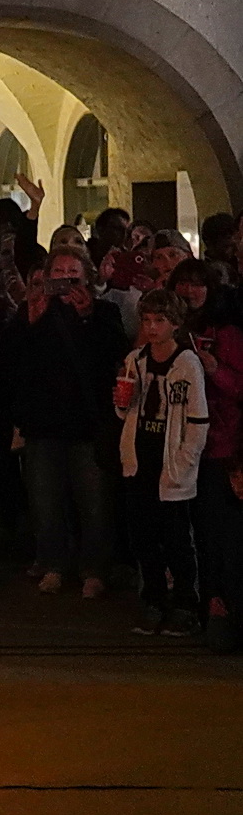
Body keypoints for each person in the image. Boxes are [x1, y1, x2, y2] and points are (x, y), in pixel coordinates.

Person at [3, 247, 128, 598]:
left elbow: (114, 353)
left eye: (72, 272)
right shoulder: (34, 313)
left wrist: (87, 316)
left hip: (87, 424)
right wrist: (29, 319)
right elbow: (9, 359)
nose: (65, 279)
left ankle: (95, 570)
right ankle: (54, 564)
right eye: (57, 272)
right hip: (43, 424)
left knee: (94, 502)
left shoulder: (105, 311)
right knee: (46, 502)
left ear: (86, 276)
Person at [115, 289, 207, 637]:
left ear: (175, 324)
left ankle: (185, 603)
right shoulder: (135, 360)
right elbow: (125, 410)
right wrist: (123, 403)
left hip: (170, 464)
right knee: (144, 537)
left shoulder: (186, 363)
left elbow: (197, 419)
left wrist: (184, 463)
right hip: (141, 459)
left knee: (177, 538)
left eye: (159, 321)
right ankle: (153, 599)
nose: (152, 328)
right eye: (147, 321)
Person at [170, 258, 243, 650]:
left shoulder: (227, 333)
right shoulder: (167, 331)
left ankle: (219, 605)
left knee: (218, 533)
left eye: (198, 284)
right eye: (183, 284)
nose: (190, 291)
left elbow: (238, 388)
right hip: (177, 447)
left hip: (219, 445)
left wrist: (213, 368)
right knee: (184, 531)